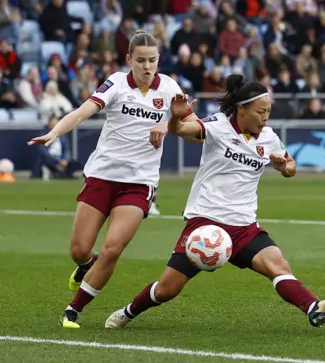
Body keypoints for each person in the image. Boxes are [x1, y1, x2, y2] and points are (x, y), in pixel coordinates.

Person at [104, 74, 325, 330]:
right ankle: (129, 312)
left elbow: (291, 166)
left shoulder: (269, 137)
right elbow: (181, 130)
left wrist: (284, 166)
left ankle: (313, 307)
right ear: (242, 109)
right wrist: (176, 117)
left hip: (244, 225)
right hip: (205, 223)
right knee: (168, 289)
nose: (266, 116)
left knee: (278, 265)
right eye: (261, 111)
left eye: (269, 111)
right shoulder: (217, 126)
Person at [27, 30, 201, 329]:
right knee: (80, 250)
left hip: (138, 183)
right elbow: (83, 111)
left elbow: (192, 128)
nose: (147, 67)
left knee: (112, 249)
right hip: (102, 175)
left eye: (153, 61)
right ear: (129, 59)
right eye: (141, 61)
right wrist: (55, 133)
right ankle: (86, 265)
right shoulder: (117, 83)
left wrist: (171, 124)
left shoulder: (170, 88)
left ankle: (73, 310)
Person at [31, 114, 83, 179]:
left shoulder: (62, 134)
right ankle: (58, 173)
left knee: (76, 164)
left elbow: (66, 149)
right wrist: (58, 160)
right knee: (49, 162)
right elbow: (43, 151)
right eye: (54, 123)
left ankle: (65, 174)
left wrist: (65, 159)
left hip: (61, 158)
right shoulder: (43, 135)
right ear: (49, 123)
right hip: (51, 160)